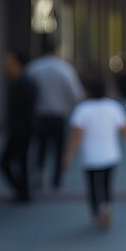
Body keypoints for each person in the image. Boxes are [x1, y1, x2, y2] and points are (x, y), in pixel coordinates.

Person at [62, 77, 126, 228]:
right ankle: (106, 206)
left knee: (93, 185)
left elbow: (75, 135)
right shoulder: (113, 107)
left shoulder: (83, 109)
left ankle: (95, 211)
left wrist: (68, 154)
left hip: (90, 156)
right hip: (110, 154)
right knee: (107, 184)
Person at [26, 36, 84, 190]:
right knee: (59, 149)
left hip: (39, 114)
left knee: (41, 147)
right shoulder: (64, 69)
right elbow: (76, 93)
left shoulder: (34, 68)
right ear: (56, 50)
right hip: (59, 114)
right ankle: (56, 179)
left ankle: (38, 171)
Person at [0, 50, 36, 203]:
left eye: (10, 64)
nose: (7, 67)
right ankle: (22, 192)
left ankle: (23, 192)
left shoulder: (25, 83)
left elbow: (25, 110)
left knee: (11, 161)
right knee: (18, 161)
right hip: (20, 129)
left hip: (21, 130)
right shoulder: (19, 82)